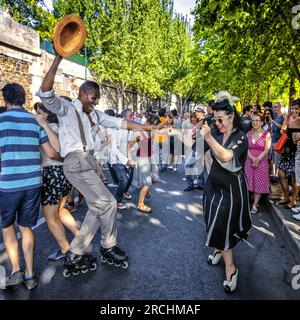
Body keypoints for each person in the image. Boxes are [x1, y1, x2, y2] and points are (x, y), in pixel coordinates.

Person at [36, 55, 165, 274]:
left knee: (98, 206)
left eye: (97, 99)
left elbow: (122, 123)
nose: (95, 101)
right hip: (75, 161)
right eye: (92, 97)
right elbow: (46, 91)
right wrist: (58, 57)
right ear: (82, 93)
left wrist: (148, 129)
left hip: (89, 161)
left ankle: (76, 252)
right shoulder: (67, 108)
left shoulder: (95, 114)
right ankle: (108, 246)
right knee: (108, 203)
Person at [0, 83, 60, 289]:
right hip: (33, 183)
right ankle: (30, 275)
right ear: (23, 98)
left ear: (5, 99)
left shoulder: (0, 121)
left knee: (7, 227)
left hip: (8, 184)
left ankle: (16, 270)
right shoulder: (34, 121)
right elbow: (50, 152)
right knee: (26, 227)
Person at [201, 92, 252, 293]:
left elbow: (225, 156)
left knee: (224, 225)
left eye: (220, 119)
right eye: (215, 119)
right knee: (212, 219)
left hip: (231, 190)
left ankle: (231, 269)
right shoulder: (214, 130)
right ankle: (219, 250)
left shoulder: (241, 137)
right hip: (213, 186)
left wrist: (209, 138)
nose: (217, 123)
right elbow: (196, 148)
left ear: (231, 118)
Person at [33, 102, 80, 261]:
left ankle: (66, 250)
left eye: (40, 112)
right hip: (65, 173)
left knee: (50, 217)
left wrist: (43, 124)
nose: (37, 116)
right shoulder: (62, 127)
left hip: (53, 173)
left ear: (48, 113)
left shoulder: (48, 127)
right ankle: (80, 238)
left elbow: (55, 153)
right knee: (61, 210)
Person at [129, 113, 160, 213]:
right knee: (147, 183)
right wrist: (129, 159)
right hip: (142, 159)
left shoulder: (151, 131)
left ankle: (145, 191)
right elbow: (128, 146)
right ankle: (140, 204)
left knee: (155, 179)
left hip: (151, 158)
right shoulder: (139, 133)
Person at [245, 113, 271, 213]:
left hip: (261, 161)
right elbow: (246, 148)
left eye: (257, 120)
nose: (254, 122)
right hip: (249, 160)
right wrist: (252, 158)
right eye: (253, 120)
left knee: (258, 183)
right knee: (248, 181)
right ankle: (247, 202)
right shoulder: (249, 134)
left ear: (261, 122)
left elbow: (266, 149)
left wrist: (257, 159)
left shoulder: (266, 134)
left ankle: (255, 205)